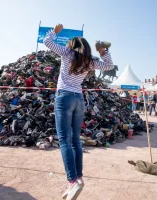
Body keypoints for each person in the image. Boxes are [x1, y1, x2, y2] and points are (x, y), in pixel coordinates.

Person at [43, 24, 114, 200]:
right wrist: (103, 51)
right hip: (78, 99)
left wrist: (55, 31)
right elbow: (109, 65)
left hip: (64, 98)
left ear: (72, 46)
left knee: (64, 140)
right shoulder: (89, 61)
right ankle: (78, 178)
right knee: (75, 140)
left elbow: (47, 41)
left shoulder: (67, 54)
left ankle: (72, 182)